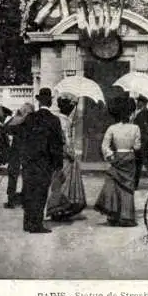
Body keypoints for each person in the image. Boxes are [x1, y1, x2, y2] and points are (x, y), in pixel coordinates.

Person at [21, 88, 64, 234]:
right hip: (44, 162)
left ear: (39, 101)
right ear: (50, 102)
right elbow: (57, 145)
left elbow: (23, 139)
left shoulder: (29, 118)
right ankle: (36, 224)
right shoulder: (54, 120)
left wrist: (24, 158)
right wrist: (58, 164)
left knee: (28, 190)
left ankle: (27, 223)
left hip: (28, 161)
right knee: (40, 192)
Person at [94, 96, 141, 227]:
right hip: (129, 158)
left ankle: (114, 214)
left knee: (115, 186)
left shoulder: (112, 128)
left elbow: (104, 146)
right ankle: (126, 216)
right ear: (130, 112)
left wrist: (110, 156)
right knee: (128, 188)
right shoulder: (135, 128)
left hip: (117, 158)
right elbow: (137, 146)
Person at [46, 93, 86, 221]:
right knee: (63, 182)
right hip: (64, 155)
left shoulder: (62, 119)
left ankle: (61, 208)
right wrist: (70, 153)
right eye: (71, 106)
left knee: (61, 182)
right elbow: (66, 140)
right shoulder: (63, 121)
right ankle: (59, 208)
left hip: (61, 154)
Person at [2, 103, 35, 209]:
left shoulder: (17, 121)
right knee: (26, 177)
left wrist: (16, 116)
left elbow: (7, 129)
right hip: (27, 152)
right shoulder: (33, 122)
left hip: (17, 152)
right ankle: (25, 201)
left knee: (13, 175)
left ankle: (11, 200)